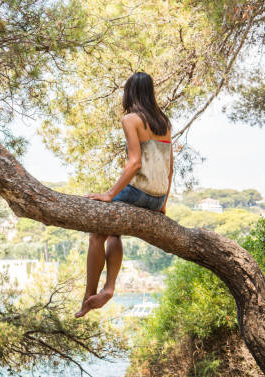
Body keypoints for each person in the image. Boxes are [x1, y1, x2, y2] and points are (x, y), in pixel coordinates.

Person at [74, 71, 174, 318]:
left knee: (97, 233)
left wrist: (109, 194)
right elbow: (170, 167)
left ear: (129, 92)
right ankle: (108, 288)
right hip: (158, 196)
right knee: (113, 230)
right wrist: (163, 204)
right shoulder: (164, 122)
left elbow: (134, 163)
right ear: (150, 92)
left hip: (139, 191)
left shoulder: (131, 119)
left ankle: (92, 293)